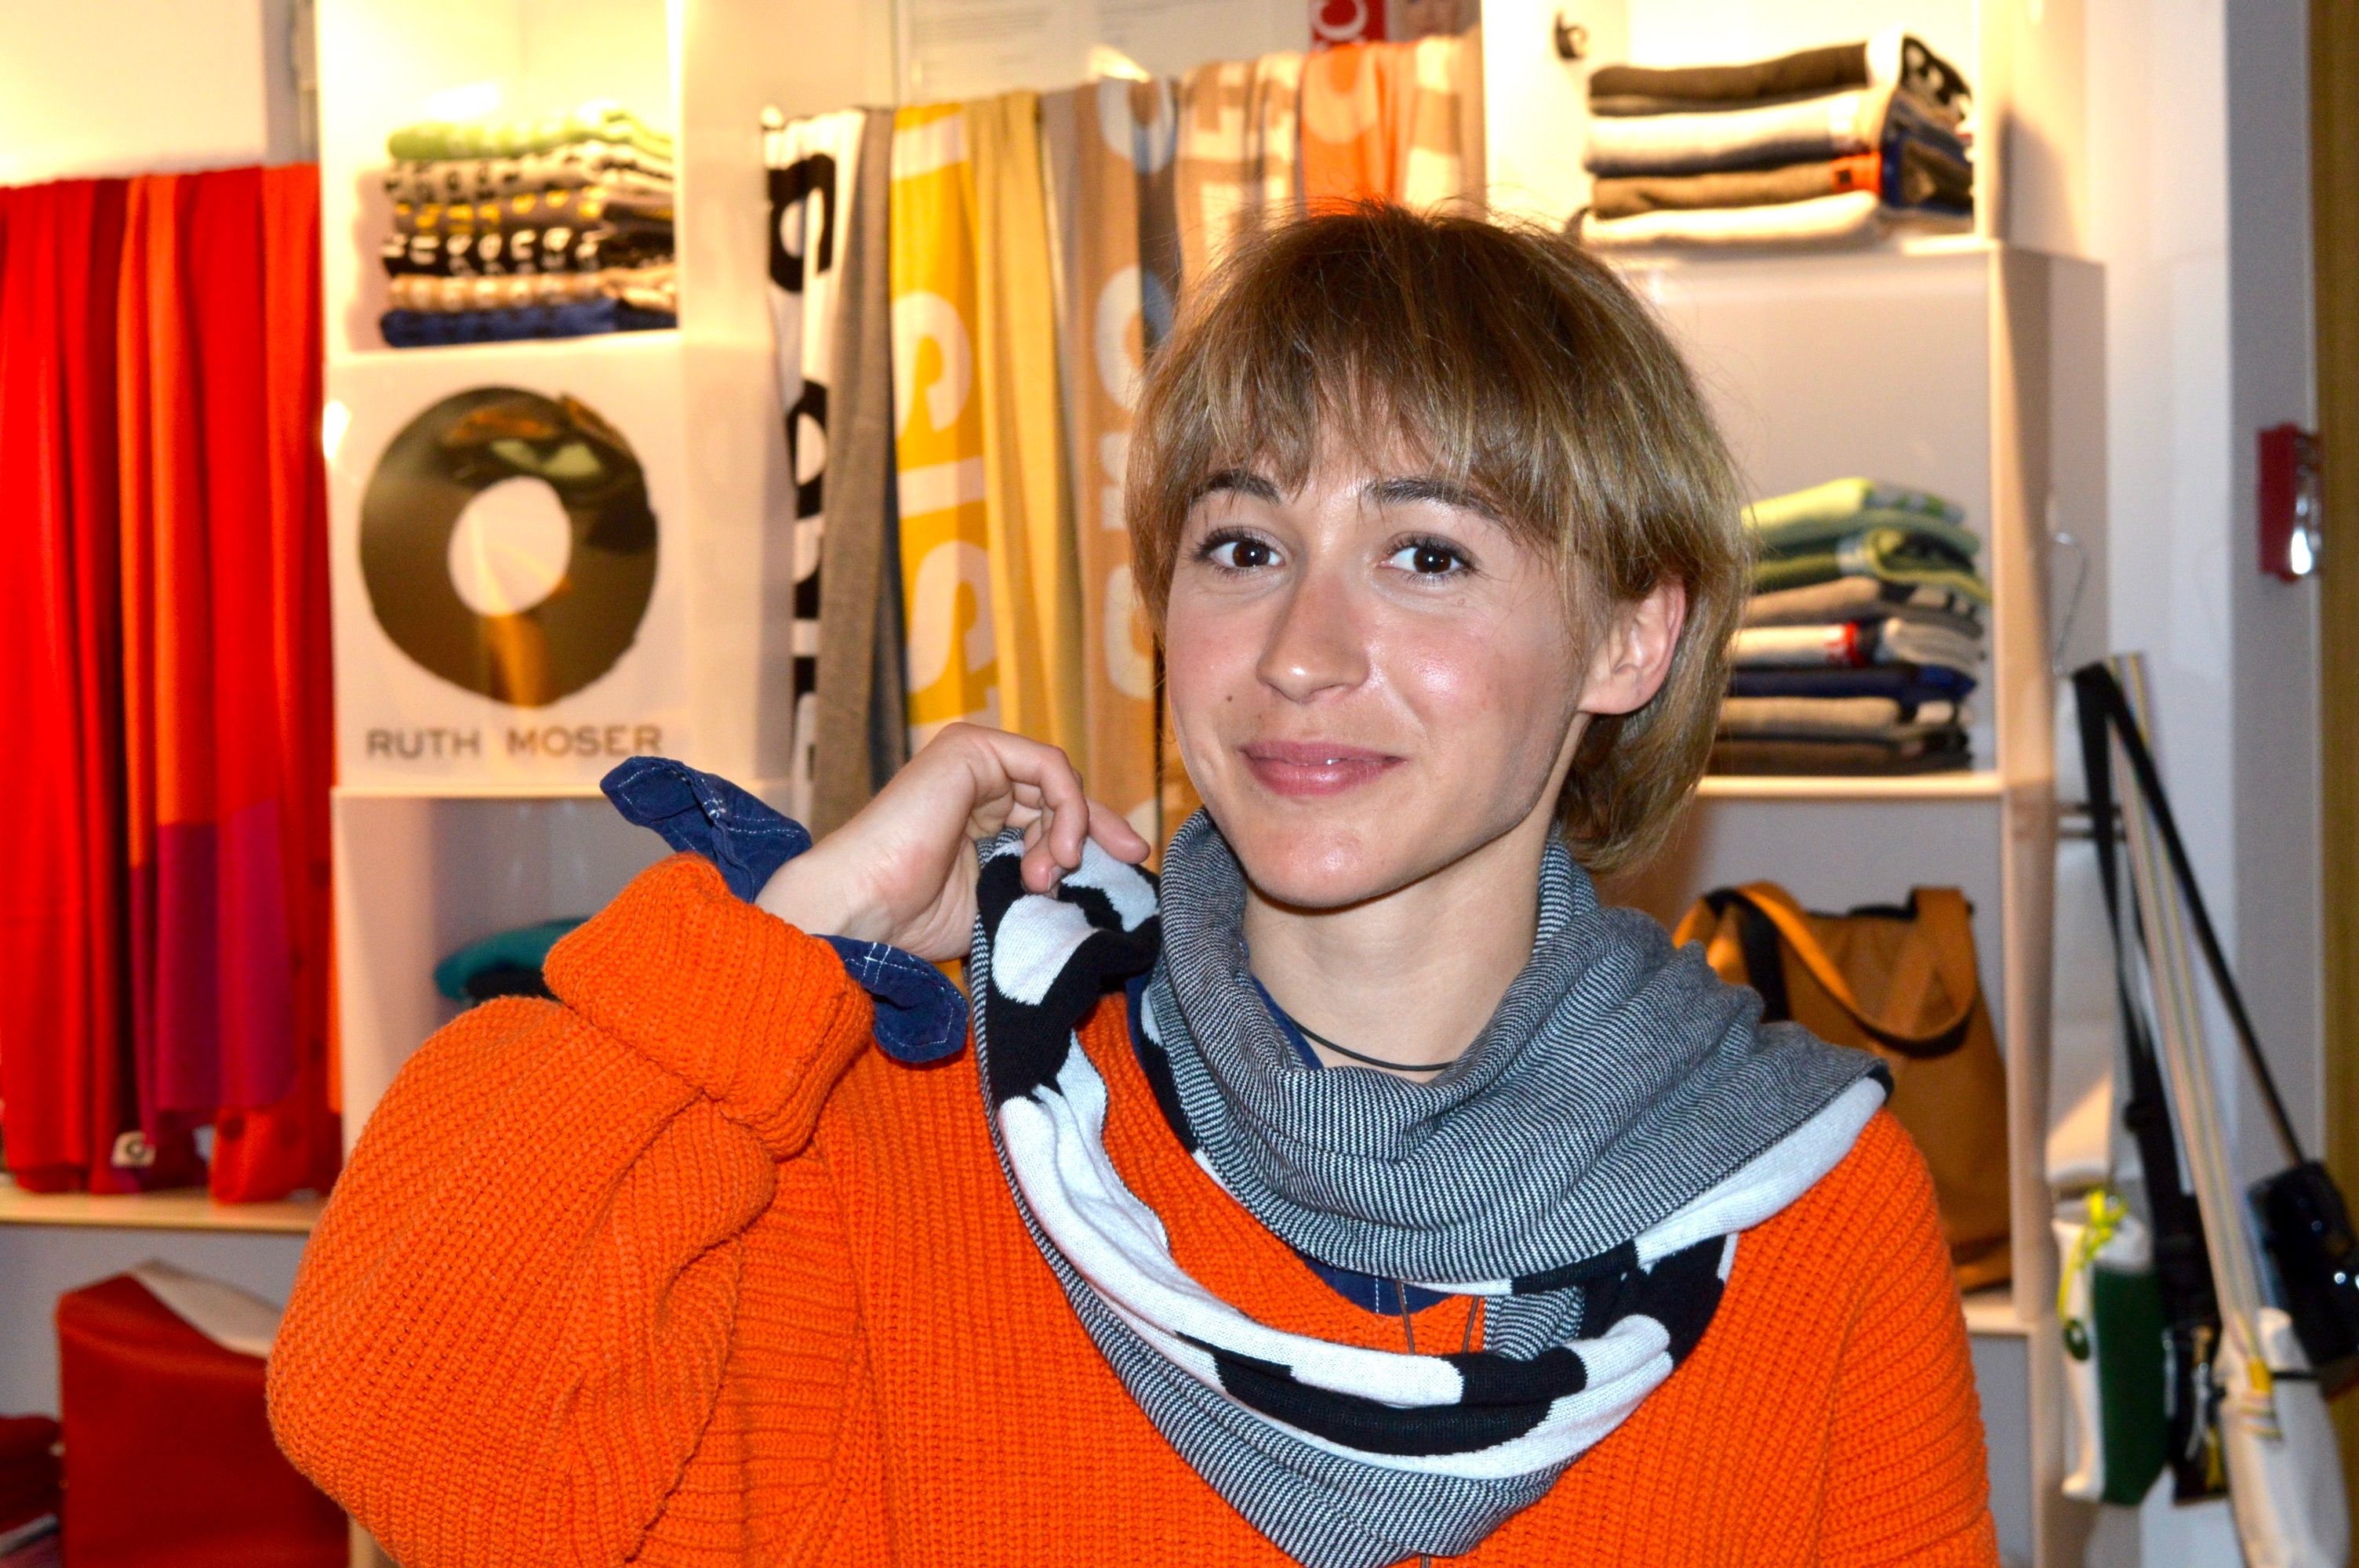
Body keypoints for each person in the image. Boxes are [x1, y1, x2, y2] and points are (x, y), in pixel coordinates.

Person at [268, 205, 1996, 1567]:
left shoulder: (1798, 1209)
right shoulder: (926, 1120)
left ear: (1630, 636)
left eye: (1425, 553)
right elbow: (403, 1419)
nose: (1301, 651)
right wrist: (791, 943)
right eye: (1243, 545)